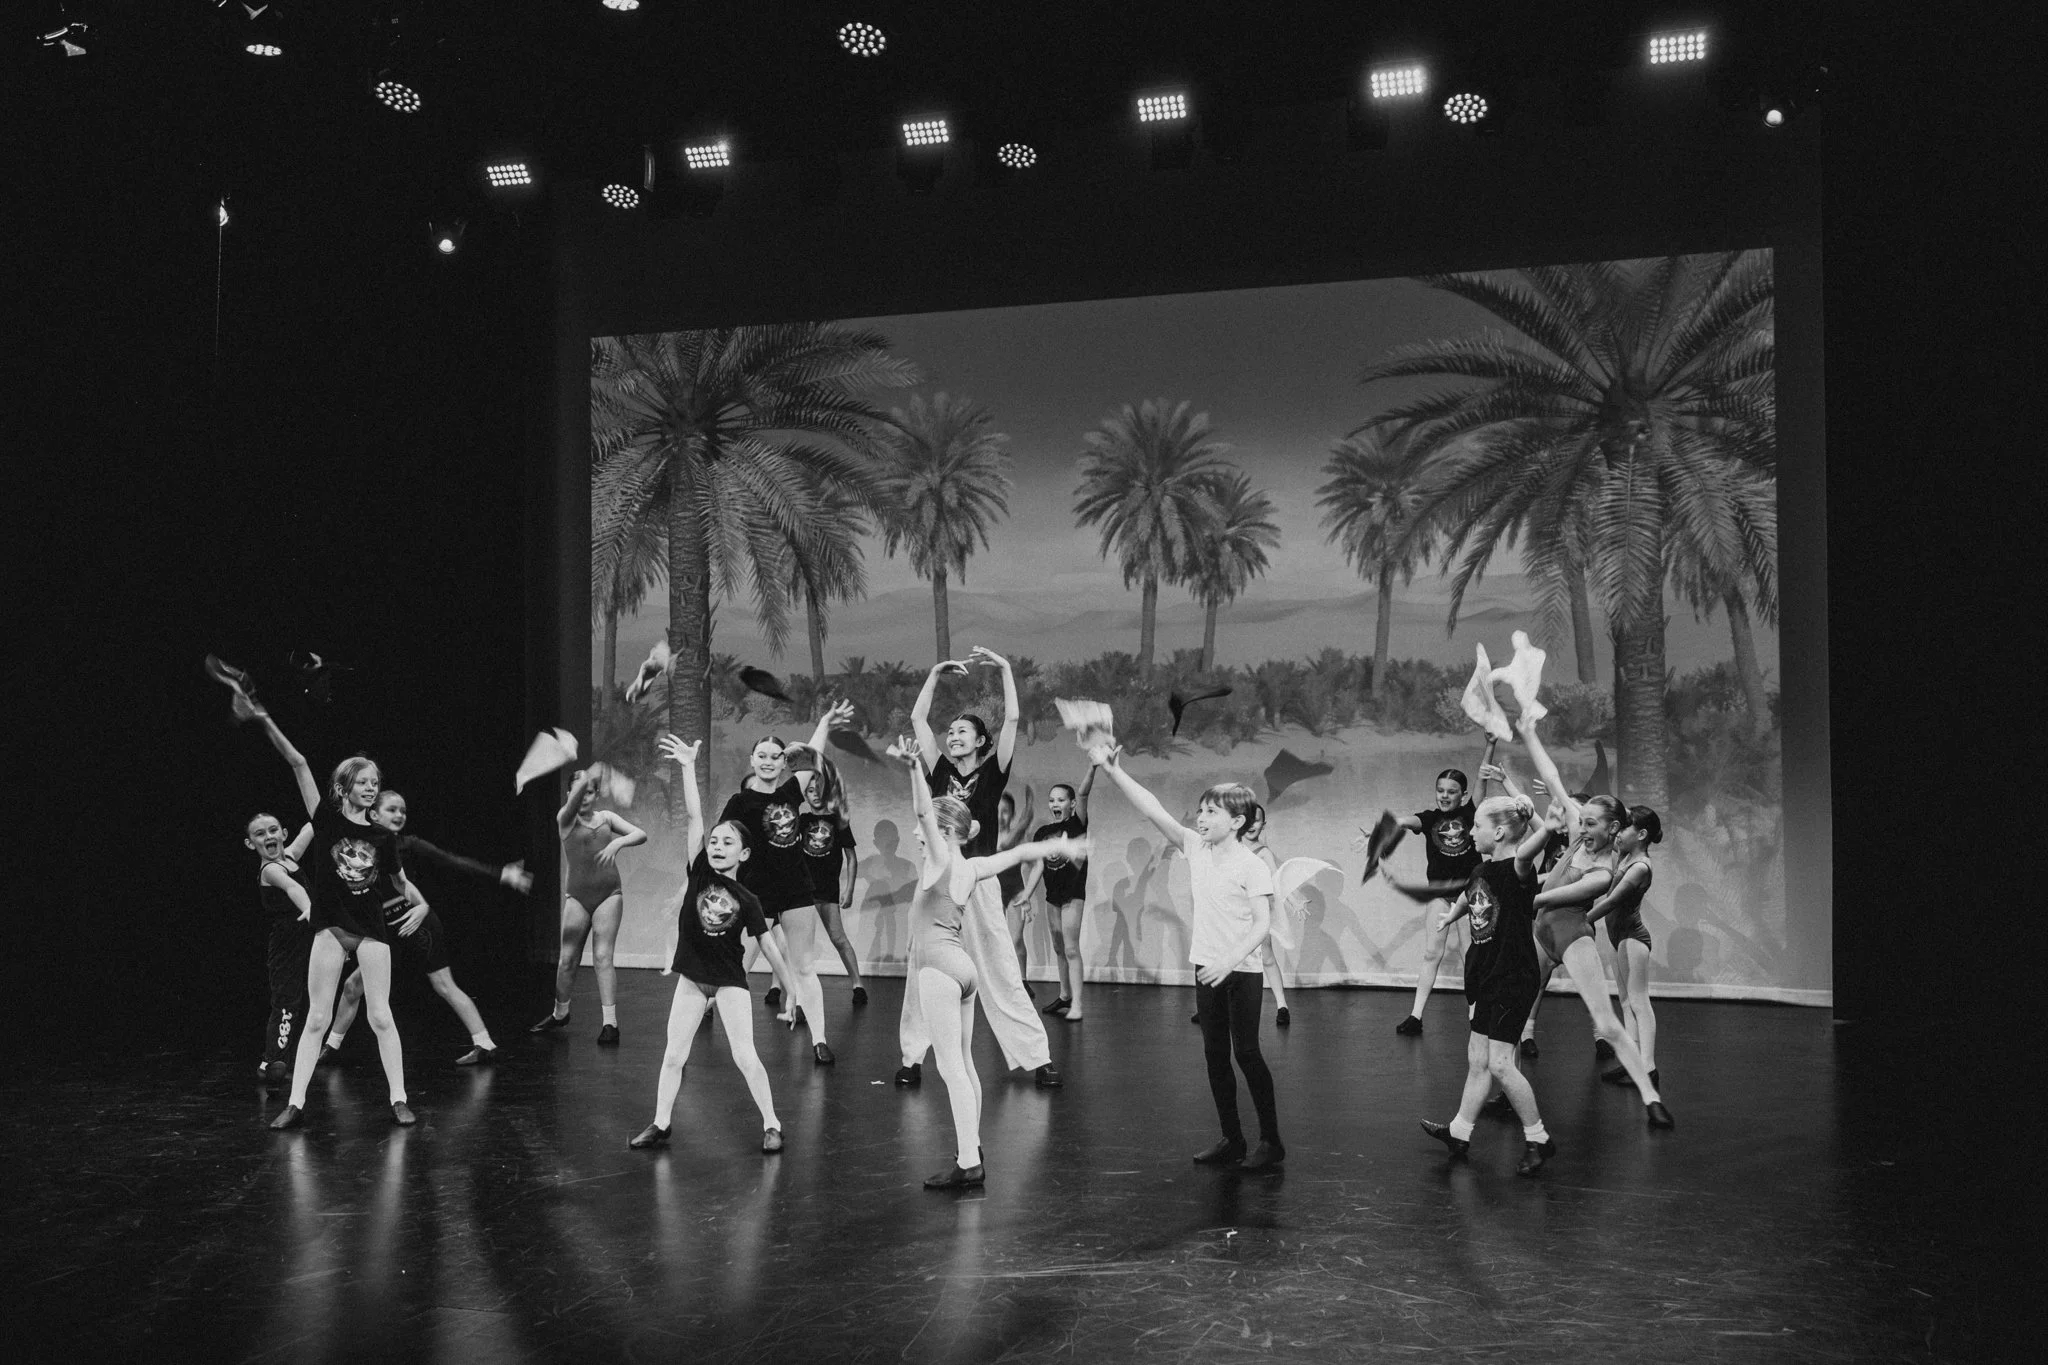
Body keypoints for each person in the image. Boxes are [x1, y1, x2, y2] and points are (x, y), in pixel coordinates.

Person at [895, 740, 1086, 1189]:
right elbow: (1017, 854)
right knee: (964, 1063)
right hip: (963, 972)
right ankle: (972, 1146)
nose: (918, 834)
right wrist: (1066, 846)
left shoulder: (939, 861)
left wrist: (913, 770)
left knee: (951, 1068)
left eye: (925, 828)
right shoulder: (972, 866)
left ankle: (968, 1162)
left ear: (945, 831)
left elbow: (924, 813)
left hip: (939, 970)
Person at [1090, 743, 1284, 1170]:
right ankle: (1232, 1139)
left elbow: (1262, 925)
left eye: (1212, 812)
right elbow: (1152, 809)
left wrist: (1230, 960)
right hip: (1205, 967)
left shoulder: (1252, 866)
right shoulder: (1195, 847)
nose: (1201, 818)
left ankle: (1271, 1142)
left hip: (1241, 971)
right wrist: (1115, 770)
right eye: (1200, 810)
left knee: (1247, 1054)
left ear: (1237, 822)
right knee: (1215, 1055)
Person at [249, 706, 426, 1130]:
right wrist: (264, 718)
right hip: (330, 930)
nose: (371, 788)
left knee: (380, 1016)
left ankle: (399, 1099)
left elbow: (401, 883)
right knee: (316, 1019)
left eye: (375, 782)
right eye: (363, 782)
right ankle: (295, 1104)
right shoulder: (326, 821)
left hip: (370, 933)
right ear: (344, 788)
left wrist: (422, 906)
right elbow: (298, 762)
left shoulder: (383, 836)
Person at [896, 651, 1062, 1090]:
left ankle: (1037, 1057)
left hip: (979, 880)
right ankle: (912, 1058)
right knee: (922, 967)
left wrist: (1005, 669)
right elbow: (917, 719)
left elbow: (1012, 720)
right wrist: (934, 674)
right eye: (950, 732)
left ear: (980, 741)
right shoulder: (939, 771)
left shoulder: (992, 774)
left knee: (1001, 968)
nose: (952, 737)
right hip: (937, 882)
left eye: (962, 731)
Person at [630, 735, 785, 1154]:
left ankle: (772, 1124)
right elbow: (695, 816)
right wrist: (687, 767)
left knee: (745, 1056)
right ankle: (661, 1122)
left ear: (744, 854)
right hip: (692, 980)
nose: (717, 847)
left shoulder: (748, 899)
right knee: (673, 1056)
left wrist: (793, 992)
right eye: (714, 841)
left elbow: (770, 949)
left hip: (729, 982)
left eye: (727, 843)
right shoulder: (699, 871)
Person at [1517, 713, 1674, 1128]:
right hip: (1542, 932)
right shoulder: (1577, 837)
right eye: (1581, 821)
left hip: (1572, 935)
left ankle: (1650, 1095)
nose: (1582, 828)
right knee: (1515, 1010)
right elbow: (1553, 779)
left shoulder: (1605, 871)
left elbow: (1556, 897)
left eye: (1591, 824)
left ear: (1614, 828)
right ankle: (1509, 1095)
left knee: (1606, 1021)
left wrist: (1527, 897)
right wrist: (1529, 733)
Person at [321, 791, 530, 1066]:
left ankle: (485, 1043)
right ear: (373, 814)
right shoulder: (361, 846)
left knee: (444, 984)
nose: (399, 815)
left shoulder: (409, 844)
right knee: (352, 986)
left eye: (403, 811)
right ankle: (331, 1047)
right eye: (392, 810)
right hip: (386, 929)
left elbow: (451, 861)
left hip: (418, 923)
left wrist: (500, 873)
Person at [1411, 793, 1558, 1175]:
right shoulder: (1482, 868)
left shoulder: (1517, 870)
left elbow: (1528, 851)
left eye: (1476, 826)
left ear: (1500, 832)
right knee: (1478, 1058)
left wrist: (1549, 827)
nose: (1470, 832)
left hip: (1513, 978)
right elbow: (1470, 895)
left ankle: (1539, 1138)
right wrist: (1451, 916)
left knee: (1500, 1064)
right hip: (1487, 976)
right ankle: (1459, 1132)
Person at [720, 702, 851, 1065]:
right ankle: (716, 1025)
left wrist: (824, 721)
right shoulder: (740, 802)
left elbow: (813, 754)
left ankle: (819, 1041)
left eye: (775, 756)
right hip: (755, 894)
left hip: (796, 891)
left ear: (783, 763)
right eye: (761, 755)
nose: (768, 761)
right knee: (738, 966)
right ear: (752, 760)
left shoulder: (792, 791)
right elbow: (721, 843)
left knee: (805, 967)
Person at [532, 767, 645, 1044]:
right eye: (579, 792)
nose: (584, 797)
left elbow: (640, 834)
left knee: (603, 956)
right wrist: (587, 777)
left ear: (596, 795)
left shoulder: (606, 818)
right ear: (570, 794)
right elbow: (573, 802)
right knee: (567, 960)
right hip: (578, 897)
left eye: (590, 792)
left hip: (609, 894)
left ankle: (610, 1024)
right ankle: (560, 1013)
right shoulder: (565, 818)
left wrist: (618, 843)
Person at [1392, 740, 1498, 1036]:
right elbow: (1406, 821)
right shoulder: (1430, 819)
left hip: (1469, 894)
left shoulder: (1470, 814)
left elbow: (1483, 777)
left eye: (1451, 792)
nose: (1444, 796)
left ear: (1463, 795)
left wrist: (1490, 743)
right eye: (1440, 790)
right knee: (1431, 953)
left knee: (1469, 956)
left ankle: (1476, 1014)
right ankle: (1416, 1015)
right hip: (1440, 894)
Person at [1588, 806, 1663, 1089]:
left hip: (1633, 939)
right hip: (1618, 937)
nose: (1619, 832)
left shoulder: (1640, 866)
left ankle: (1648, 1068)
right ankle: (1633, 1062)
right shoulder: (1625, 856)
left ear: (1641, 834)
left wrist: (1583, 921)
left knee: (1639, 1002)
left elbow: (1611, 902)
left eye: (1625, 827)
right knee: (1626, 1001)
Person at [1018, 770, 1095, 1020]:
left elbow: (1083, 793)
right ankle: (1065, 996)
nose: (1055, 804)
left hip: (1073, 894)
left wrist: (1093, 767)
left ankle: (1077, 1005)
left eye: (1061, 800)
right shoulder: (1043, 833)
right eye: (1052, 800)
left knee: (1071, 949)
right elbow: (1039, 866)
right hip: (1053, 896)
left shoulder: (1077, 824)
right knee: (1059, 948)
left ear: (1071, 804)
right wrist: (1027, 894)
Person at [245, 811, 314, 1087]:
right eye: (260, 834)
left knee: (313, 1000)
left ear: (284, 834)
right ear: (251, 844)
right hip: (286, 946)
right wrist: (309, 907)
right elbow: (293, 887)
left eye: (273, 830)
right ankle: (272, 1060)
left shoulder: (291, 857)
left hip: (308, 939)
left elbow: (315, 823)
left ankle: (287, 1058)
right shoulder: (271, 870)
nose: (268, 836)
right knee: (287, 1003)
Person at [797, 752, 868, 1006]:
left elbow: (851, 857)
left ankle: (858, 985)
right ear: (805, 796)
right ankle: (787, 991)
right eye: (810, 792)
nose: (814, 795)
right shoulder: (802, 820)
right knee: (796, 943)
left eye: (818, 790)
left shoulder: (838, 820)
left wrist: (849, 890)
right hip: (803, 890)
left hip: (827, 889)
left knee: (838, 938)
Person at [1241, 805, 1293, 1029]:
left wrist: (1294, 901)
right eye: (1248, 819)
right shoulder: (1230, 848)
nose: (1252, 824)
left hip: (1257, 913)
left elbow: (1277, 878)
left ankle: (1282, 1006)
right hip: (1232, 913)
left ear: (1263, 824)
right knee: (1224, 958)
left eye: (1257, 820)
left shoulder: (1263, 852)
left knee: (1267, 957)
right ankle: (1211, 1007)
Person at [994, 786, 1036, 997]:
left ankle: (1022, 980)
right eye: (997, 811)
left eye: (1005, 812)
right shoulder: (987, 836)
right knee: (995, 940)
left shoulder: (1018, 838)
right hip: (993, 892)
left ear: (1012, 814)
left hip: (1015, 890)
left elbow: (1034, 865)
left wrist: (1027, 894)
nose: (1000, 817)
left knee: (1016, 939)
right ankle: (1002, 980)